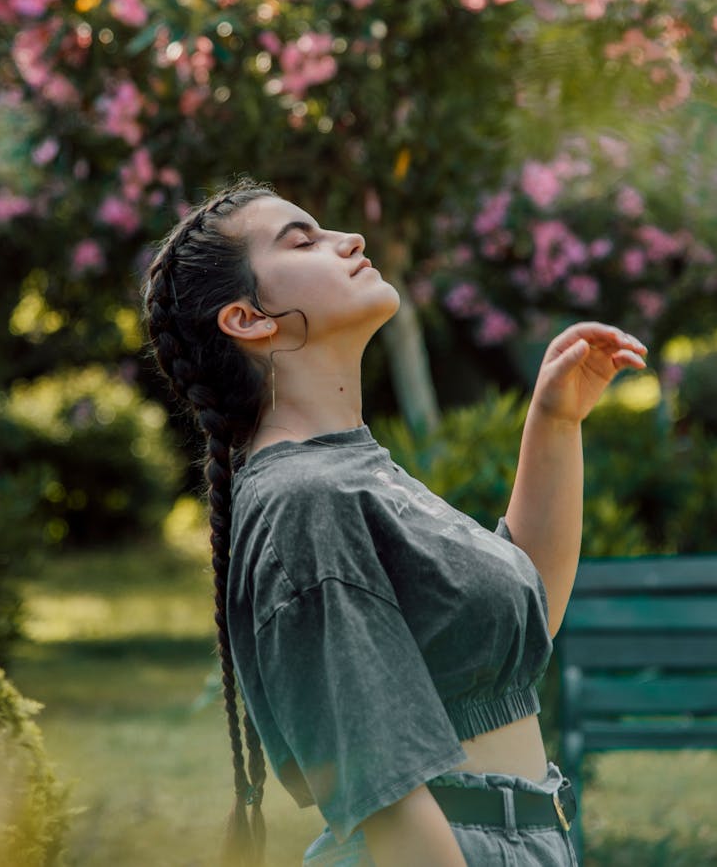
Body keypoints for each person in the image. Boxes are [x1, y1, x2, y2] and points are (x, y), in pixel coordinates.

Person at [143, 179, 647, 867]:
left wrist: (556, 421)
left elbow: (525, 623)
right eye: (303, 239)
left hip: (514, 838)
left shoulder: (346, 470)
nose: (348, 238)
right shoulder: (304, 502)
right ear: (250, 319)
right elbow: (389, 799)